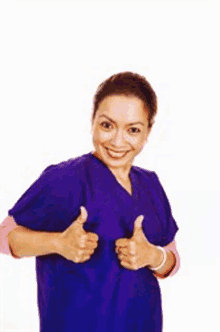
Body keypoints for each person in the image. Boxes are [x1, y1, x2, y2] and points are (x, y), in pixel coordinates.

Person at [0, 71, 180, 332]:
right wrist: (58, 243)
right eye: (107, 125)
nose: (118, 141)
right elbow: (5, 235)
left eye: (133, 130)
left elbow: (172, 259)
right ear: (93, 120)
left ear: (148, 131)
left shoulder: (151, 185)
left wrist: (152, 255)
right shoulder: (63, 179)